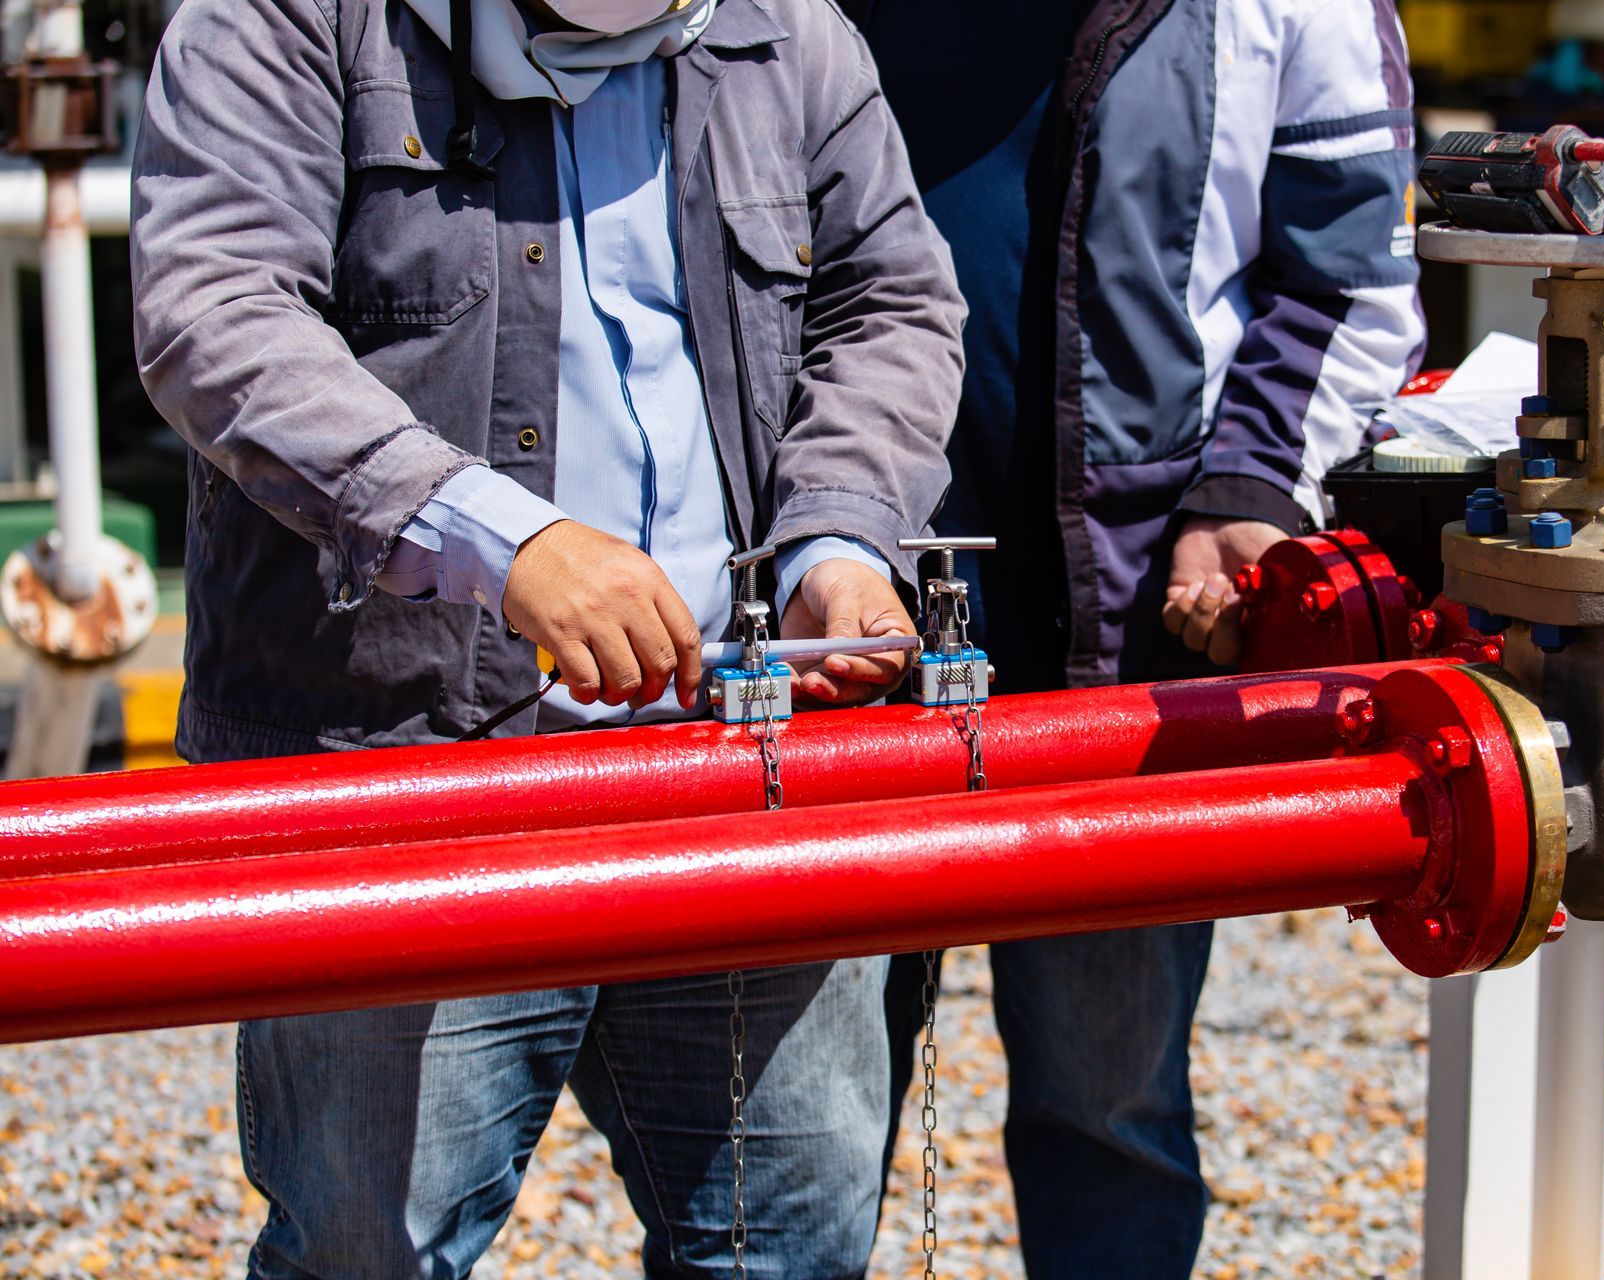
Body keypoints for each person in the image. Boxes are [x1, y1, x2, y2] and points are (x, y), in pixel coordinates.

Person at [131, 0, 963, 1275]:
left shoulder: (785, 35)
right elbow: (218, 310)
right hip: (404, 776)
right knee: (369, 1253)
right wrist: (498, 537)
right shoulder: (291, 19)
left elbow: (889, 304)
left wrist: (837, 543)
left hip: (738, 768)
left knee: (787, 1249)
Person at [858, 1, 1425, 1275]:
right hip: (849, 613)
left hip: (1121, 636)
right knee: (804, 1131)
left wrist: (1252, 486)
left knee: (1107, 1108)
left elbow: (1349, 275)